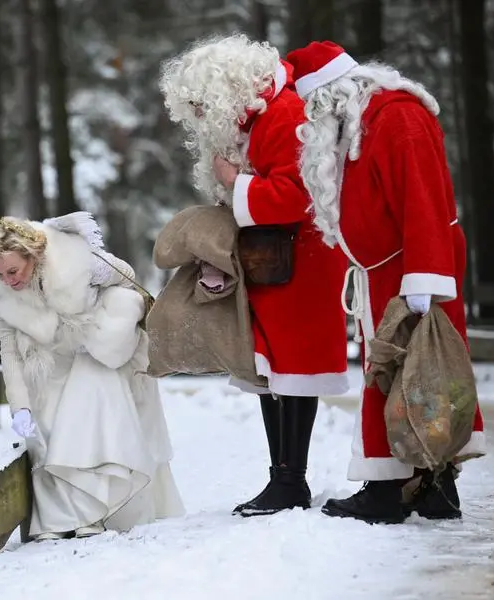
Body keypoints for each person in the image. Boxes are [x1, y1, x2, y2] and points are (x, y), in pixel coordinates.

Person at [287, 40, 486, 524]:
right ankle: (430, 489)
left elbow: (424, 197)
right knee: (405, 375)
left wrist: (424, 279)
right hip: (386, 274)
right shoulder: (358, 124)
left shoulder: (396, 116)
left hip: (412, 271)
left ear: (331, 95)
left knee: (420, 372)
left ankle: (387, 492)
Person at [158, 33, 350, 517]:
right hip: (275, 262)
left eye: (202, 105)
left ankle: (290, 481)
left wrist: (232, 183)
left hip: (301, 263)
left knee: (291, 371)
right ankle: (283, 477)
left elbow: (294, 195)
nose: (199, 118)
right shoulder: (255, 120)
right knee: (269, 369)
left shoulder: (284, 115)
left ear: (225, 91)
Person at [0, 211, 185, 540]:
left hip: (93, 351)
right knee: (46, 424)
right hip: (47, 363)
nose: (8, 280)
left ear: (32, 255)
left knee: (91, 401)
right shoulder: (1, 291)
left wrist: (105, 302)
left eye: (13, 271)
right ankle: (62, 516)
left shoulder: (73, 260)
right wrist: (19, 406)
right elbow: (9, 350)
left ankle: (98, 510)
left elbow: (127, 278)